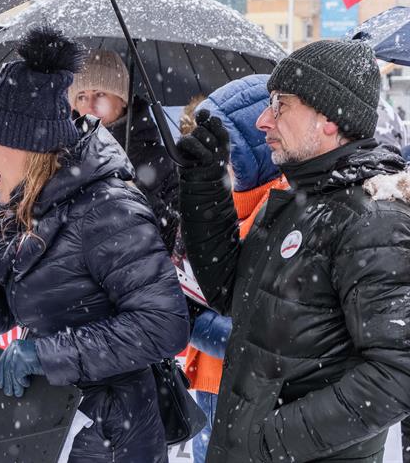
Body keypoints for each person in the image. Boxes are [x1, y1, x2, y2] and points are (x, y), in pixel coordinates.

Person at [0, 26, 189, 462]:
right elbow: (1, 315)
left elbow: (163, 326)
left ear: (29, 146)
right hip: (51, 426)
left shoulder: (108, 208)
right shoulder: (15, 207)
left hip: (112, 438)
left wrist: (45, 354)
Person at [177, 40, 410, 462]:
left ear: (329, 118)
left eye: (280, 104)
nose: (264, 120)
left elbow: (398, 374)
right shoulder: (299, 199)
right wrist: (205, 186)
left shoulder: (372, 219)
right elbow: (232, 294)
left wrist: (267, 440)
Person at [181, 75, 289, 463]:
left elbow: (256, 335)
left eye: (224, 152)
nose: (217, 162)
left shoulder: (279, 211)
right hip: (212, 381)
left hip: (243, 391)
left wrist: (189, 320)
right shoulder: (234, 203)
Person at [68, 49, 179, 252]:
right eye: (82, 96)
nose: (90, 105)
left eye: (100, 94)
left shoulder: (161, 161)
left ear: (123, 100)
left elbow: (178, 239)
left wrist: (135, 192)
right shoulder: (63, 159)